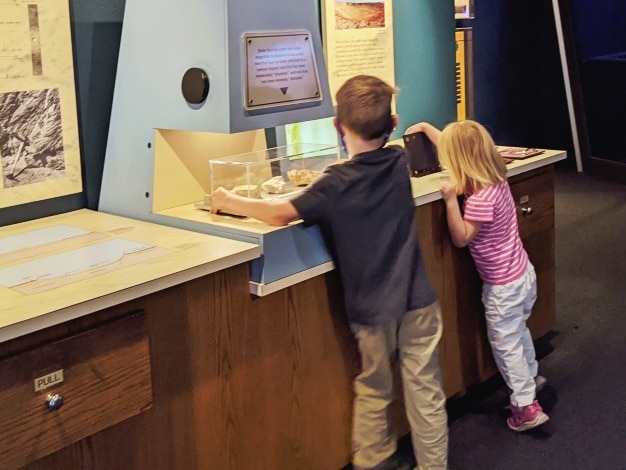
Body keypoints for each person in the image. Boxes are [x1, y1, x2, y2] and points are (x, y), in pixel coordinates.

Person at [212, 74, 449, 470]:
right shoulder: (397, 160)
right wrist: (423, 128)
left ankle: (375, 461)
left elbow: (277, 213)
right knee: (426, 388)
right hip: (418, 299)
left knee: (375, 387)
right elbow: (449, 149)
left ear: (337, 127)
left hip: (371, 311)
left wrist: (227, 199)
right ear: (392, 125)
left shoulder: (334, 183)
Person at [405, 119, 549, 432]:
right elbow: (459, 146)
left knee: (505, 344)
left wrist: (449, 202)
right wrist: (428, 129)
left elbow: (461, 237)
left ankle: (525, 406)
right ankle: (532, 379)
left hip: (503, 288)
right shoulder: (495, 178)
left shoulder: (480, 199)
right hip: (523, 275)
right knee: (519, 332)